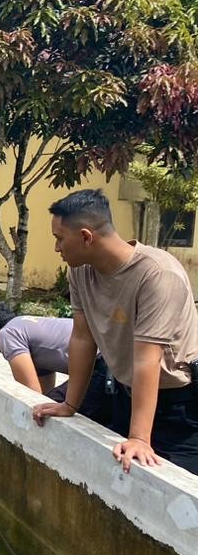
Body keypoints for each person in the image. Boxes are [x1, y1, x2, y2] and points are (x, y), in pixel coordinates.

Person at [32, 189, 198, 474]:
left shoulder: (157, 274)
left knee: (175, 492)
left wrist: (139, 438)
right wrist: (71, 403)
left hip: (180, 403)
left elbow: (147, 358)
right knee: (121, 474)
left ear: (86, 236)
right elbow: (83, 338)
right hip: (127, 392)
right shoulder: (80, 271)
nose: (57, 248)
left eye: (59, 239)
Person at [0, 300, 109, 425]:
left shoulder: (7, 334)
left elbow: (29, 393)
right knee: (49, 404)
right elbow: (41, 395)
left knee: (44, 414)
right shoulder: (23, 324)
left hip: (102, 366)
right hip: (108, 357)